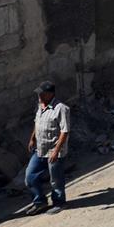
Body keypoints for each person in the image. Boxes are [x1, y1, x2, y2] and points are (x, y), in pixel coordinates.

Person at [25, 81, 70, 215]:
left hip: (54, 150)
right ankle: (40, 202)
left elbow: (65, 131)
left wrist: (56, 151)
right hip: (40, 149)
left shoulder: (61, 108)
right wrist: (32, 138)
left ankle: (59, 203)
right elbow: (37, 123)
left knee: (56, 180)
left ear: (50, 94)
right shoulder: (40, 106)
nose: (39, 96)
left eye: (42, 94)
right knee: (30, 176)